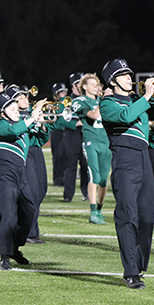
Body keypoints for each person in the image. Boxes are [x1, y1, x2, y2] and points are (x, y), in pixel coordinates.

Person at [100, 58, 154, 289]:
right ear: (112, 81)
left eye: (129, 74)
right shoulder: (107, 103)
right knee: (127, 215)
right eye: (123, 75)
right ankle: (130, 270)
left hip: (144, 158)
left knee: (147, 217)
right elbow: (124, 117)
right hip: (124, 159)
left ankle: (140, 265)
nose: (129, 78)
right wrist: (146, 96)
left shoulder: (137, 100)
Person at [0, 92, 45, 270]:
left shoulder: (21, 125)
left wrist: (40, 125)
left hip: (21, 173)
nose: (17, 111)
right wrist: (31, 118)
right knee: (9, 213)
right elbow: (13, 131)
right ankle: (4, 256)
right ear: (3, 113)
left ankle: (13, 248)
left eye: (16, 107)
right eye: (12, 109)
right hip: (4, 172)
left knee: (29, 212)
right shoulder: (3, 124)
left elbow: (39, 140)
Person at [71, 73, 111, 224]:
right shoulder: (80, 100)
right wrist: (105, 99)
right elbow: (94, 115)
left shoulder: (102, 100)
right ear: (84, 87)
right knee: (94, 176)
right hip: (91, 142)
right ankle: (93, 212)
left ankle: (99, 210)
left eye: (97, 84)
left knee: (104, 180)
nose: (97, 87)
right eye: (92, 84)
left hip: (106, 142)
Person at [62, 73, 89, 202]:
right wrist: (75, 123)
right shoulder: (67, 100)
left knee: (86, 165)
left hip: (86, 135)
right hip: (71, 135)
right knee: (70, 165)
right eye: (80, 83)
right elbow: (60, 120)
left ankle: (86, 192)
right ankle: (68, 195)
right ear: (74, 85)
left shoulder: (87, 99)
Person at [50, 83, 68, 187]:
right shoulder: (54, 106)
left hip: (67, 132)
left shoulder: (68, 104)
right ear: (56, 95)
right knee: (58, 156)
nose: (64, 94)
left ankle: (65, 179)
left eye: (65, 91)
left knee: (67, 156)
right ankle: (57, 180)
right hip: (57, 132)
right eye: (61, 92)